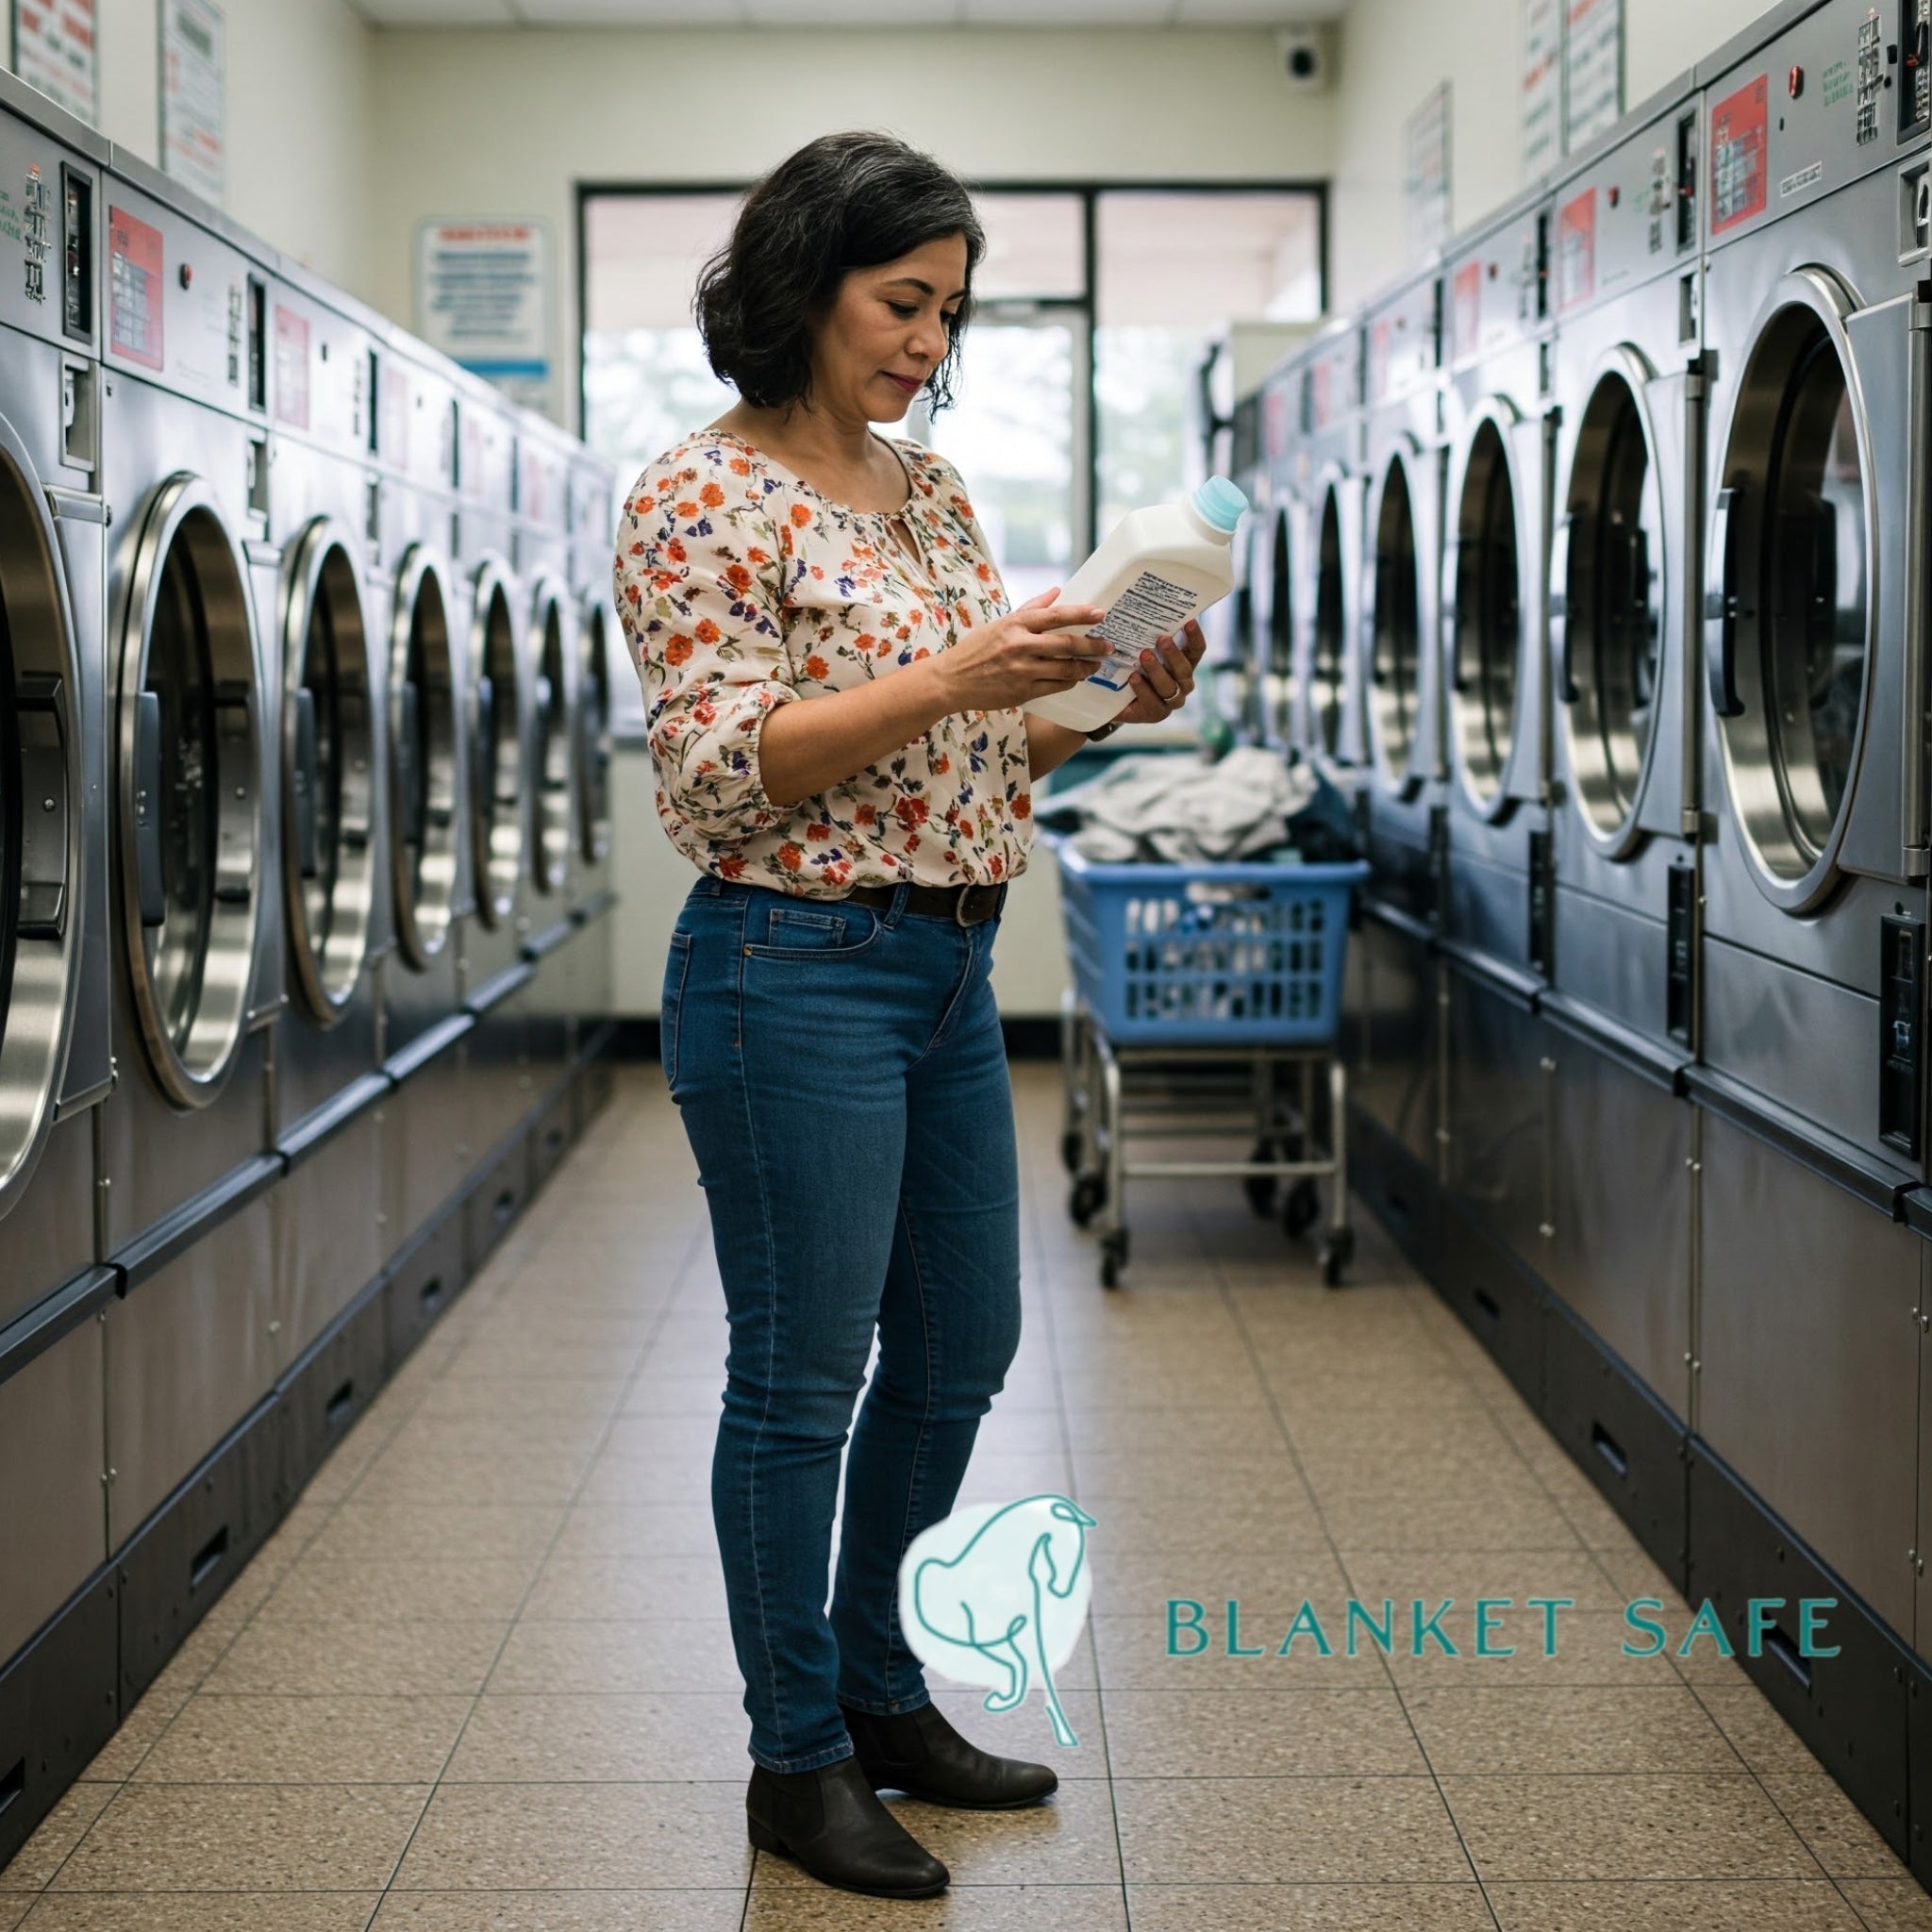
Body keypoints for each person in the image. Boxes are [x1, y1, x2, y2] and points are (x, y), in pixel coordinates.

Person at [613, 130, 1204, 1901]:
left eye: (949, 311)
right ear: (802, 283)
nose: (927, 344)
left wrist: (1107, 693)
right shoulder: (694, 497)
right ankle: (793, 1756)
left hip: (948, 968)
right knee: (801, 1381)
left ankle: (878, 1692)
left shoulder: (931, 494)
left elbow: (971, 741)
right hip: (786, 969)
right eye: (901, 302)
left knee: (962, 1349)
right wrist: (958, 667)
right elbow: (724, 780)